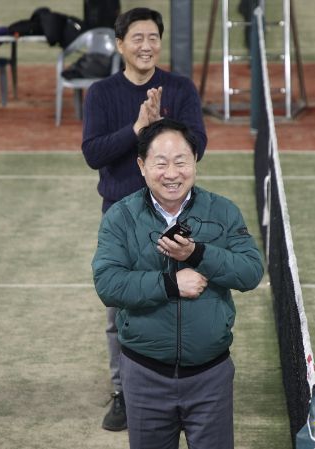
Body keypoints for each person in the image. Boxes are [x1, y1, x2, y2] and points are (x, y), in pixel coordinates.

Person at [92, 118, 263, 449]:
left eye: (181, 161)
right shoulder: (120, 217)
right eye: (161, 163)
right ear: (142, 166)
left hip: (211, 375)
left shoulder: (223, 211)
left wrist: (197, 254)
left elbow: (250, 272)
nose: (172, 173)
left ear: (195, 160)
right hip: (144, 377)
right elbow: (108, 284)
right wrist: (171, 284)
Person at [81, 7, 207, 431]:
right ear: (120, 44)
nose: (146, 46)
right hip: (122, 218)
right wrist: (137, 129)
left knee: (181, 298)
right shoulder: (101, 93)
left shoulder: (180, 88)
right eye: (137, 38)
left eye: (153, 37)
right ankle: (124, 392)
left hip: (176, 214)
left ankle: (181, 386)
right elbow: (93, 152)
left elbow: (197, 144)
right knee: (121, 309)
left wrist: (161, 127)